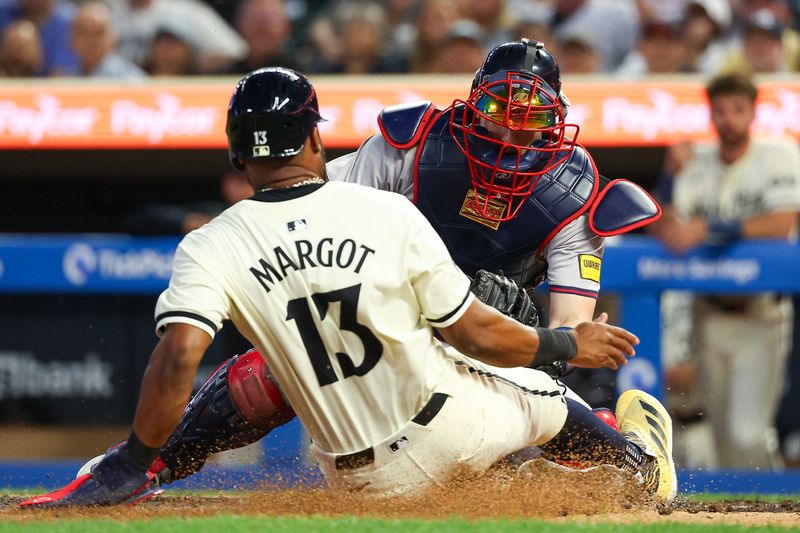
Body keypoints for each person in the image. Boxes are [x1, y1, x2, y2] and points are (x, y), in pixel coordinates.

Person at [20, 67, 676, 508]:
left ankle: (142, 469)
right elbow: (473, 330)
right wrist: (564, 341)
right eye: (500, 114)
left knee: (270, 366)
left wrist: (140, 451)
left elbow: (179, 355)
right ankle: (638, 464)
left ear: (235, 153)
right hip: (449, 389)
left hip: (349, 474)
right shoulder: (392, 199)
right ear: (314, 136)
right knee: (544, 388)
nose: (510, 133)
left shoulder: (217, 238)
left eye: (527, 119)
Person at [651, 73, 800, 468]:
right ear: (710, 113)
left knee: (748, 433)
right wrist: (669, 176)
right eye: (720, 110)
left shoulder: (779, 153)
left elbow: (782, 223)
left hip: (761, 314)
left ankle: (777, 516)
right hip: (708, 312)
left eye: (738, 109)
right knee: (720, 438)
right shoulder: (696, 161)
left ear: (753, 112)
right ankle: (741, 519)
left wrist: (712, 229)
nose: (728, 119)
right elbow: (665, 226)